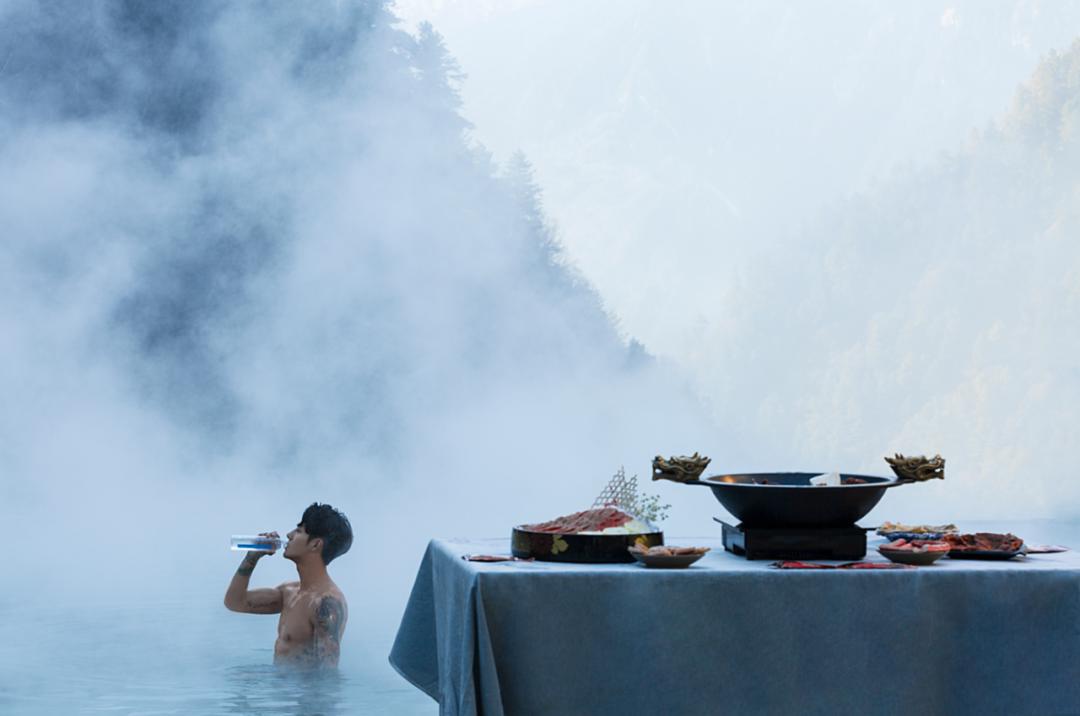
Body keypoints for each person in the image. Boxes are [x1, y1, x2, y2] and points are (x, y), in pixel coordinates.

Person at [224, 503, 353, 668]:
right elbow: (234, 602)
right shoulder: (289, 592)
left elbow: (327, 673)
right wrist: (251, 558)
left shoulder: (327, 603)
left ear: (315, 544)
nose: (289, 535)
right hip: (282, 688)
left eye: (298, 531)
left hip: (303, 692)